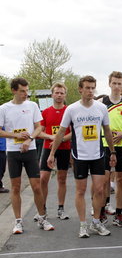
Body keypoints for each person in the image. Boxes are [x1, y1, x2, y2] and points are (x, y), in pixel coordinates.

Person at [48, 75, 116, 238]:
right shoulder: (72, 109)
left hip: (98, 154)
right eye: (87, 88)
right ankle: (83, 224)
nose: (90, 91)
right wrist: (52, 154)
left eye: (93, 88)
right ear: (80, 89)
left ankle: (96, 222)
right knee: (80, 190)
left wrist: (112, 152)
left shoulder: (101, 108)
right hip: (80, 156)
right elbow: (61, 132)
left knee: (99, 190)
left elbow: (107, 131)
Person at [0, 77, 55, 233]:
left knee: (36, 186)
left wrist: (29, 138)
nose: (25, 94)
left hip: (30, 150)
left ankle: (42, 218)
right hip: (13, 152)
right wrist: (14, 136)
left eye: (27, 90)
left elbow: (39, 127)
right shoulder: (4, 108)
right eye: (22, 91)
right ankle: (18, 222)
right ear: (14, 90)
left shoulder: (32, 105)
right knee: (15, 187)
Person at [101, 71, 122, 228]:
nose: (117, 86)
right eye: (114, 83)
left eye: (119, 83)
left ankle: (119, 213)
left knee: (121, 180)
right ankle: (102, 210)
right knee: (103, 180)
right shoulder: (101, 102)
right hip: (105, 145)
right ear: (109, 83)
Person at [38, 82, 71, 220]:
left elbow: (74, 132)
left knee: (61, 179)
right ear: (52, 94)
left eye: (61, 93)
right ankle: (42, 209)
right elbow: (39, 132)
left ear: (65, 95)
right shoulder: (45, 112)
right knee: (43, 179)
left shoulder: (70, 110)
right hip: (48, 147)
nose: (59, 95)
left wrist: (60, 139)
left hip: (64, 148)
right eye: (56, 92)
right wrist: (51, 137)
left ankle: (61, 209)